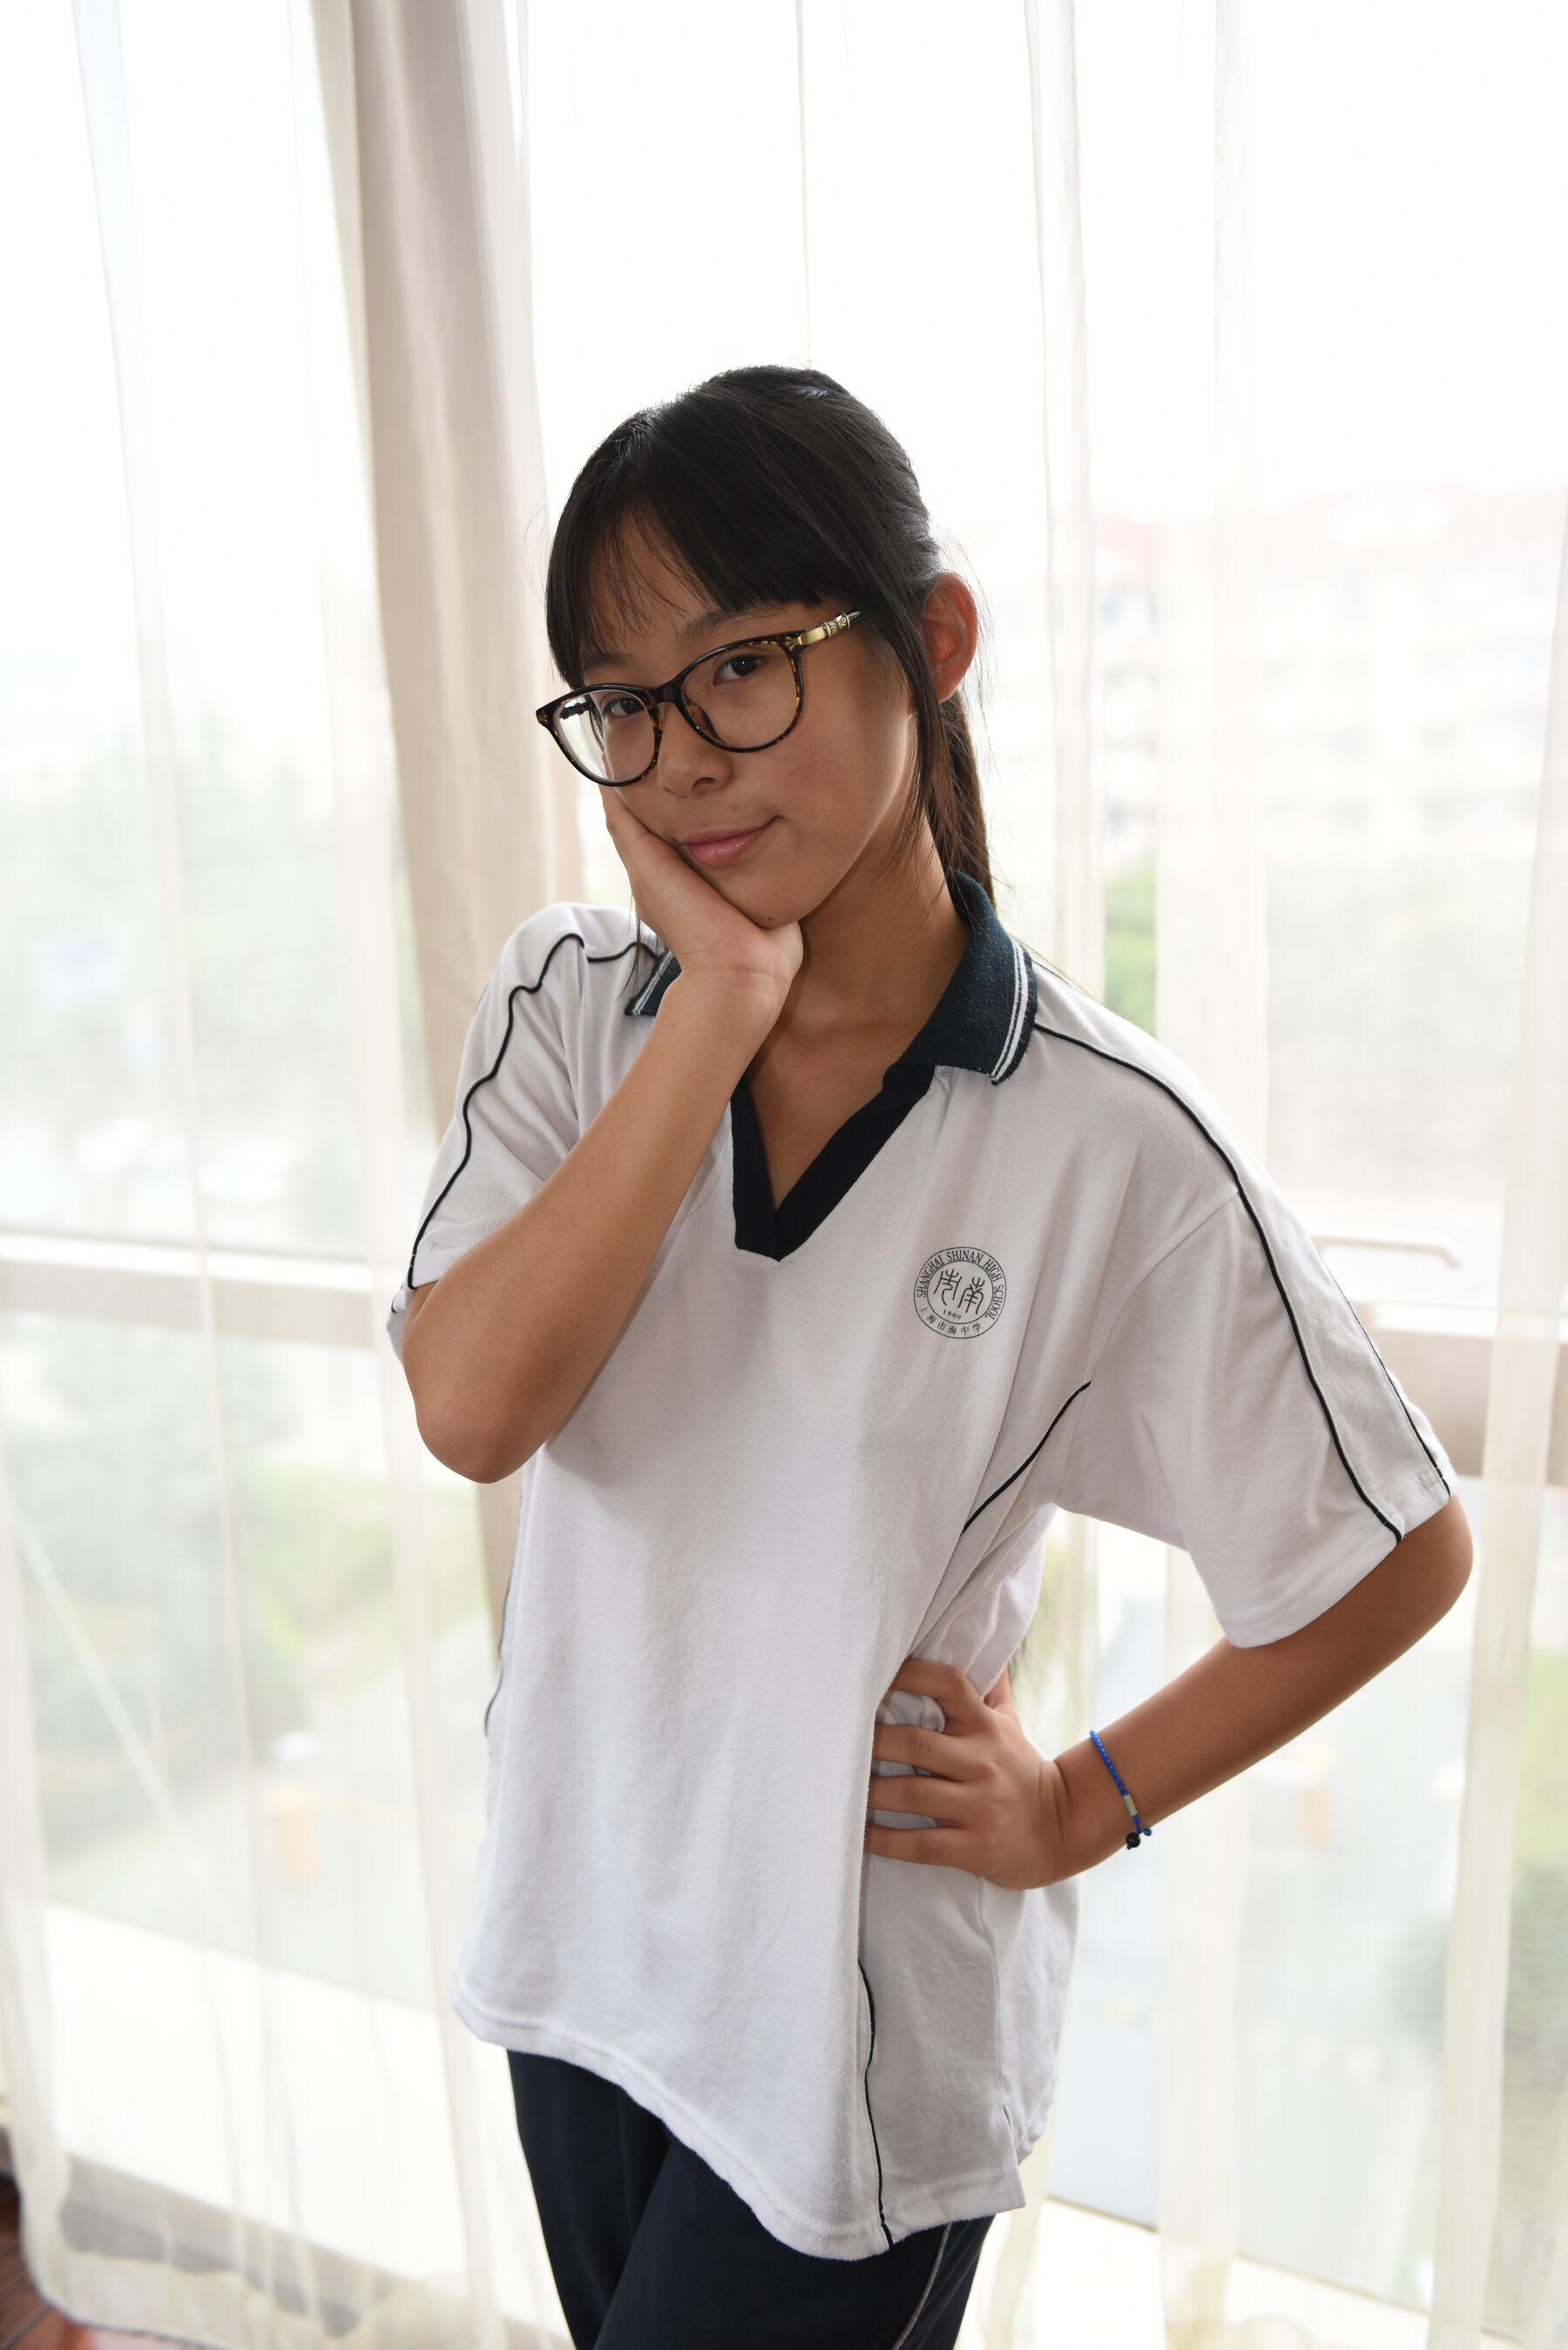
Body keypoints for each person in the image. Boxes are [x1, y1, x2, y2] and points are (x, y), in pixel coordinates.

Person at [386, 363, 1470, 2349]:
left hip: (848, 2047)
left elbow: (1394, 1546)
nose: (680, 760)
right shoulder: (570, 1003)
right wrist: (721, 999)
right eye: (624, 704)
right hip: (583, 1956)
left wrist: (1076, 1801)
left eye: (740, 668)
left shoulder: (1106, 1138)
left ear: (932, 641)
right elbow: (473, 1407)